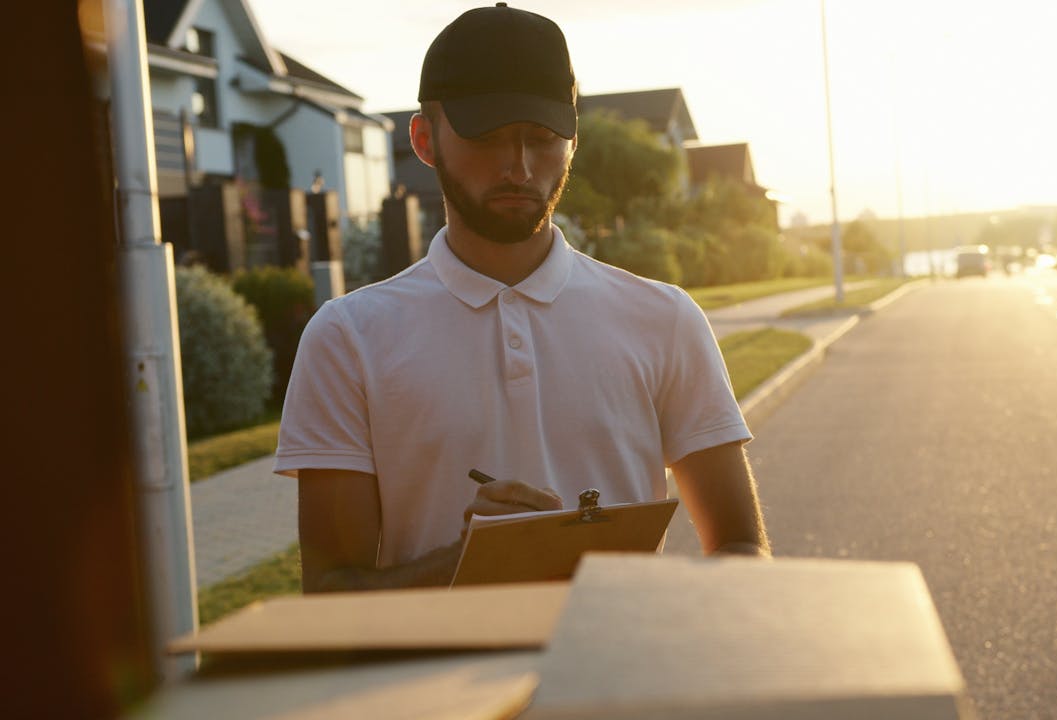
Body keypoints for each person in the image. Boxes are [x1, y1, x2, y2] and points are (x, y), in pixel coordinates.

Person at [275, 3, 770, 593]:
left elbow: (742, 547)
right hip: (434, 686)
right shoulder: (348, 338)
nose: (518, 166)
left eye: (541, 138)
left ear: (573, 140)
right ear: (424, 138)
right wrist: (470, 561)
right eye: (487, 137)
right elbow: (328, 593)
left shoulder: (664, 319)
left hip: (621, 678)